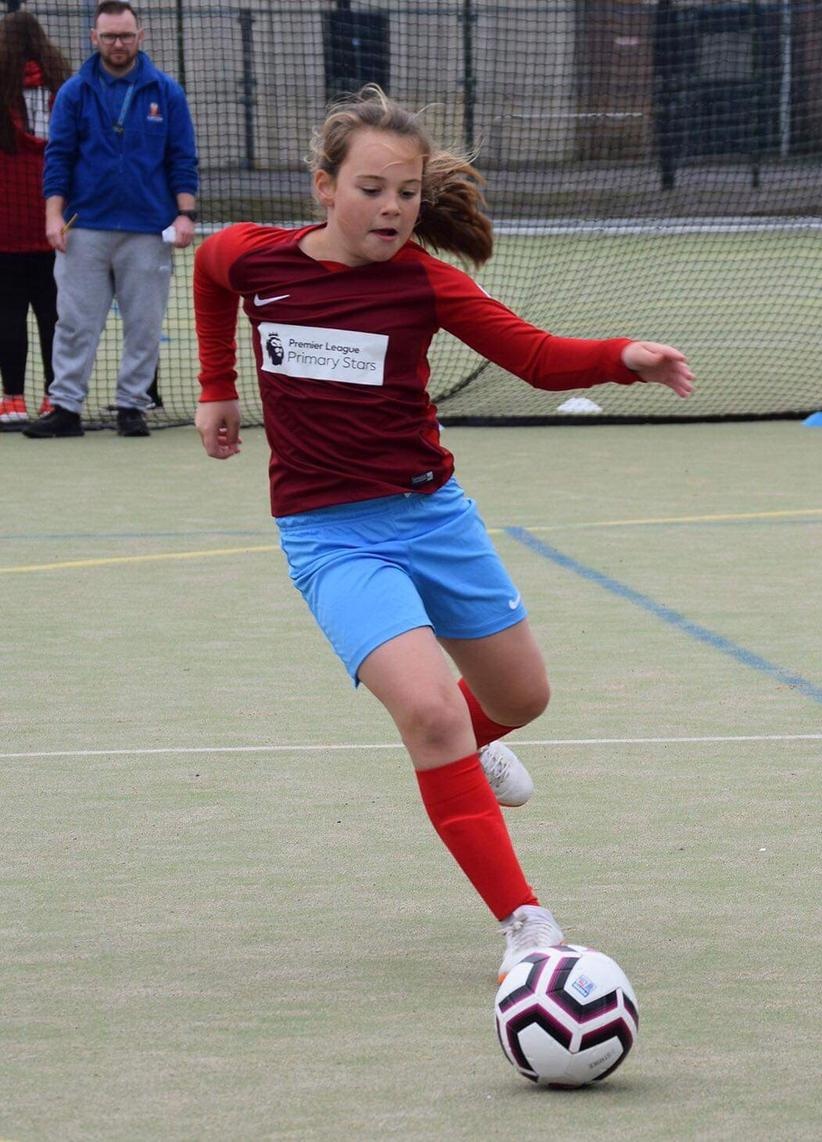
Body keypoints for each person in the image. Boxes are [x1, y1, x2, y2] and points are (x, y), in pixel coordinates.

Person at [192, 85, 694, 979]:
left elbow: (535, 357)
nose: (392, 208)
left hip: (433, 517)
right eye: (371, 189)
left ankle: (472, 747)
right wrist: (216, 386)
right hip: (330, 534)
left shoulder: (425, 282)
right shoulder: (256, 258)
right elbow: (208, 270)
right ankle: (528, 925)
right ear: (323, 187)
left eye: (408, 192)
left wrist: (623, 357)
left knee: (522, 698)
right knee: (429, 713)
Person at [25, 0, 196, 439]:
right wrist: (53, 217)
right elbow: (58, 157)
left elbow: (182, 158)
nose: (118, 44)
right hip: (84, 227)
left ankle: (132, 406)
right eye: (109, 36)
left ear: (141, 36)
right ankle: (66, 407)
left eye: (125, 36)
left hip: (148, 229)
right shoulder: (74, 93)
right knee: (74, 322)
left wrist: (185, 214)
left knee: (144, 323)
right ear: (94, 38)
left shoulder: (167, 92)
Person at [0, 9, 66, 428]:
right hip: (53, 220)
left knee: (7, 315)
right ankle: (54, 397)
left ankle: (12, 401)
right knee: (53, 315)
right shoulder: (63, 86)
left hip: (5, 221)